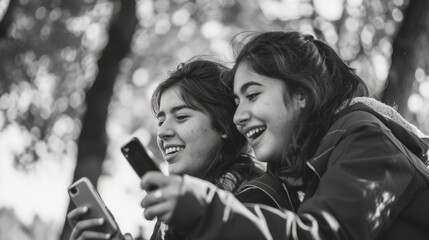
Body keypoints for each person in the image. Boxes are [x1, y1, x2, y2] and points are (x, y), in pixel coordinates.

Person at [140, 31, 429, 240]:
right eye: (237, 102)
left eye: (252, 95)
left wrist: (203, 208)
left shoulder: (368, 139)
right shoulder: (298, 174)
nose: (239, 116)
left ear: (301, 94)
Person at [67, 58, 285, 240]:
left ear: (224, 126)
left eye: (181, 117)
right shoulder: (171, 216)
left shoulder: (253, 201)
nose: (162, 132)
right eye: (161, 121)